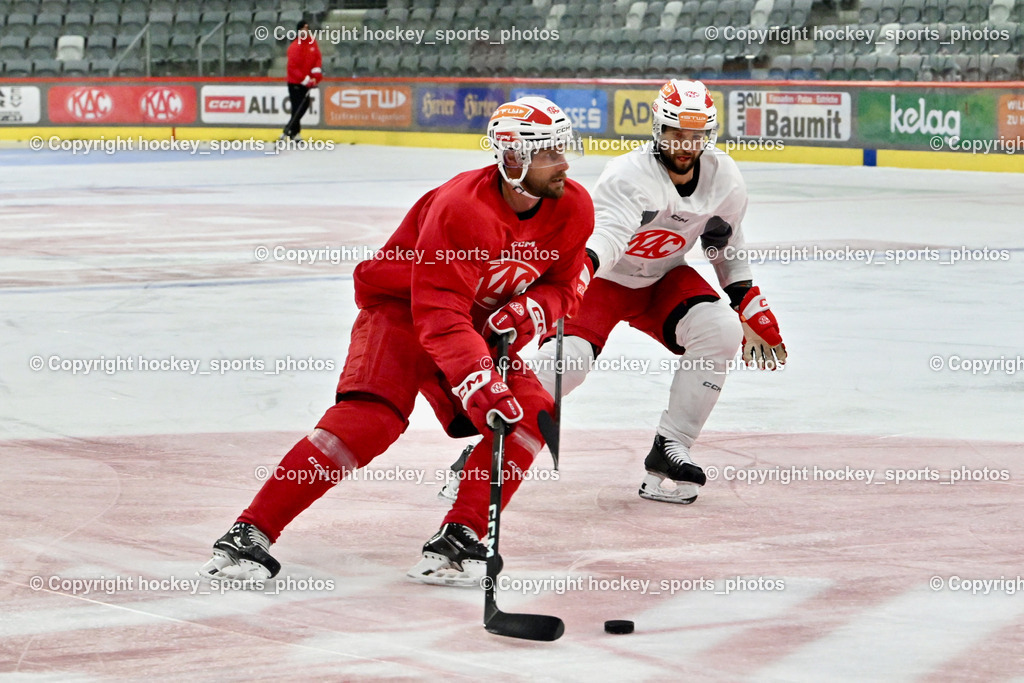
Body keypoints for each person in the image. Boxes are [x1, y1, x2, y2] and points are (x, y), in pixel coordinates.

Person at [200, 97, 594, 586]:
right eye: (548, 152)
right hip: (403, 311)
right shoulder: (463, 209)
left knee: (530, 413)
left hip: (474, 324)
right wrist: (478, 381)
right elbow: (439, 311)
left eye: (562, 148)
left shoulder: (573, 206)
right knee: (370, 421)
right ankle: (249, 532)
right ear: (512, 158)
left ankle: (458, 537)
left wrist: (529, 311)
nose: (564, 162)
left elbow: (563, 286)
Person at [441, 79, 786, 506]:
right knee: (568, 363)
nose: (685, 145)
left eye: (696, 136)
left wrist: (748, 303)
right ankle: (485, 453)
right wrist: (572, 283)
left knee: (721, 330)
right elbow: (608, 237)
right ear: (658, 129)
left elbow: (724, 242)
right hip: (602, 280)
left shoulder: (725, 177)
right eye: (676, 133)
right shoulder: (629, 174)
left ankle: (671, 446)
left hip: (663, 278)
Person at [281, 20, 322, 142]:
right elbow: (292, 68)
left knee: (303, 106)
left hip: (307, 81)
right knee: (297, 107)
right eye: (303, 29)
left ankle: (292, 130)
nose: (305, 31)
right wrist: (305, 80)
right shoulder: (294, 46)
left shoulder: (312, 43)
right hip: (295, 82)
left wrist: (316, 75)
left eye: (307, 29)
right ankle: (294, 132)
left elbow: (317, 59)